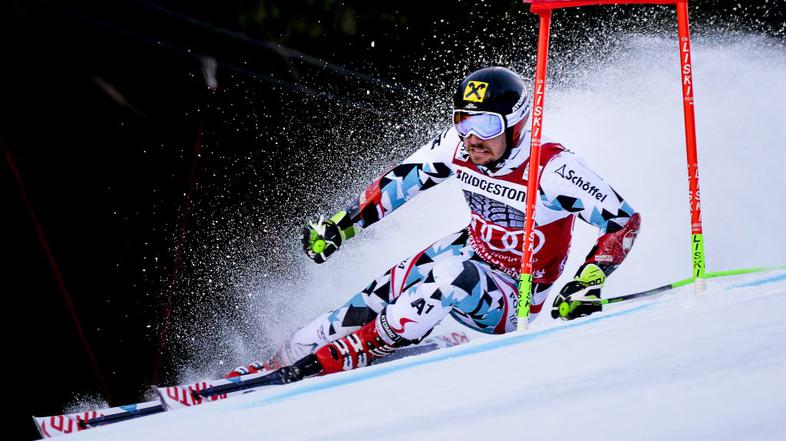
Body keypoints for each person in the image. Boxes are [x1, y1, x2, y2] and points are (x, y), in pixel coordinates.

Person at [227, 66, 640, 380]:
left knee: (451, 274)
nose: (471, 137)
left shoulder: (552, 168)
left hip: (515, 296)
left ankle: (360, 349)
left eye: (486, 125)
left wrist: (588, 282)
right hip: (474, 251)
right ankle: (283, 358)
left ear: (515, 125)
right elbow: (401, 183)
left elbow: (623, 221)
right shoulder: (457, 148)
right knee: (389, 285)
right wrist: (341, 226)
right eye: (463, 120)